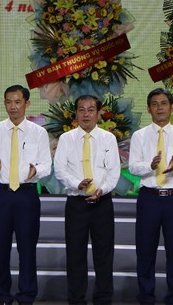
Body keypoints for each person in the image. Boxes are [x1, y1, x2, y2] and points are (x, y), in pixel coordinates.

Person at [0, 85, 51, 305]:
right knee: (0, 247)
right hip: (1, 194)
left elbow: (46, 165)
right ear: (4, 104)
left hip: (26, 195)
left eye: (17, 102)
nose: (13, 107)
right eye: (9, 102)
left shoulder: (38, 132)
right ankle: (2, 295)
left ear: (27, 104)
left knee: (27, 247)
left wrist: (35, 171)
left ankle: (26, 295)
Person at [128, 88, 173, 305]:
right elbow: (133, 167)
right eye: (155, 104)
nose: (160, 108)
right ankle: (146, 297)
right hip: (149, 199)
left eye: (164, 103)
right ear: (149, 109)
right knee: (145, 251)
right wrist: (150, 165)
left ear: (172, 107)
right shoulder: (139, 136)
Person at [53, 95, 120, 305]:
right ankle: (76, 299)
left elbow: (114, 172)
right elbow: (60, 169)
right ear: (76, 114)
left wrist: (102, 189)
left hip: (102, 203)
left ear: (99, 113)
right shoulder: (67, 139)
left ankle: (103, 299)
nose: (86, 114)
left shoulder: (108, 138)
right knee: (75, 256)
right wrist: (77, 184)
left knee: (104, 255)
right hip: (76, 205)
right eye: (81, 109)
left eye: (91, 109)